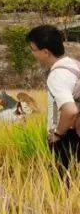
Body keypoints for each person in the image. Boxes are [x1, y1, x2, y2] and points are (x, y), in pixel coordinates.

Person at [27, 24, 80, 177]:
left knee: (66, 184)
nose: (32, 53)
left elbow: (70, 111)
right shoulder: (74, 65)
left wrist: (58, 134)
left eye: (33, 49)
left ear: (45, 52)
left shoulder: (57, 75)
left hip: (68, 138)